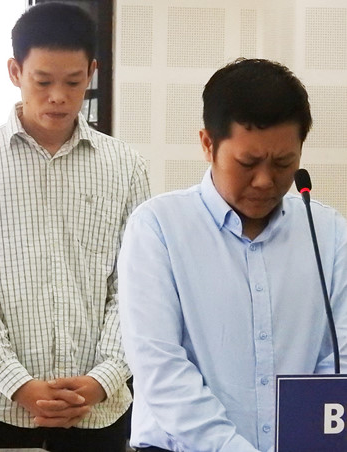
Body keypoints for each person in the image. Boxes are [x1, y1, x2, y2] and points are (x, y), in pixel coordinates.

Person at [0, 3, 150, 451]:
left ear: (91, 73)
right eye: (43, 81)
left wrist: (102, 379)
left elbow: (135, 287)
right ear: (15, 72)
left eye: (73, 82)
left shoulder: (126, 166)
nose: (58, 96)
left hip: (99, 410)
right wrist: (19, 384)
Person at [118, 58, 347, 452]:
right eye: (247, 163)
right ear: (208, 144)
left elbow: (338, 360)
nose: (265, 181)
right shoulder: (158, 228)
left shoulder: (328, 233)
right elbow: (161, 368)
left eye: (283, 163)